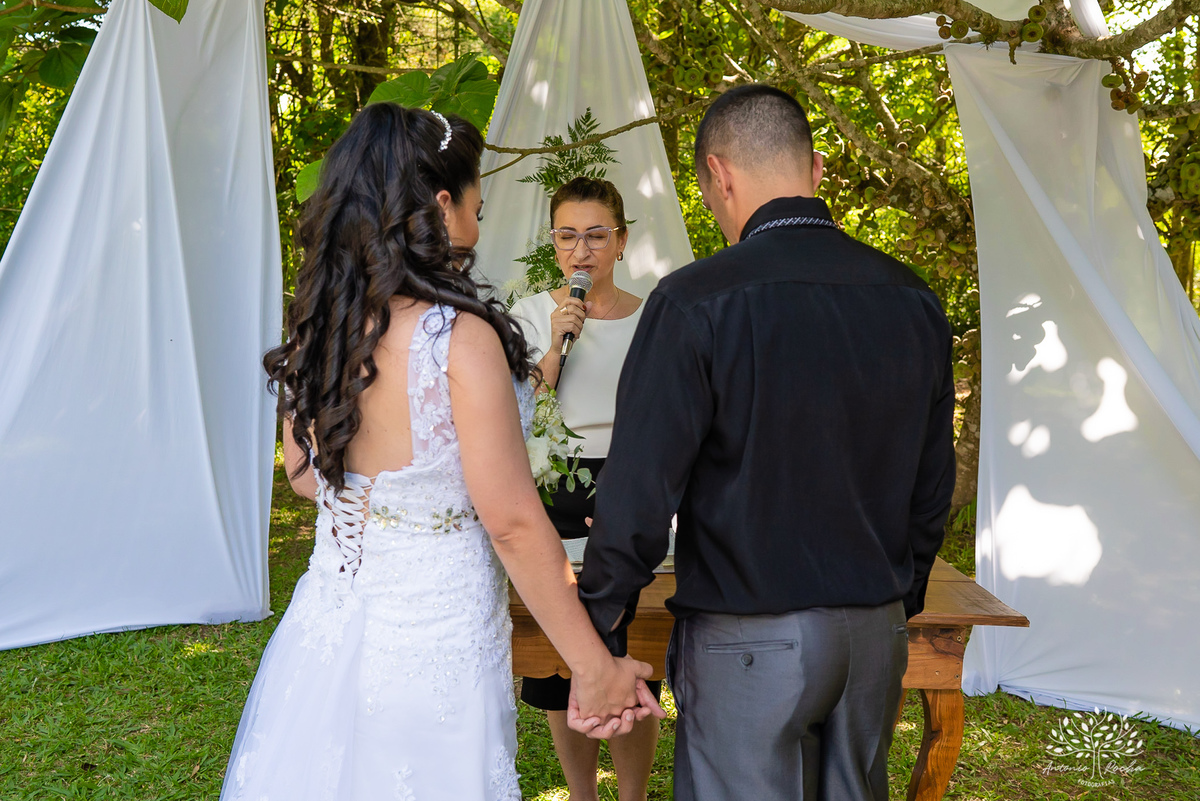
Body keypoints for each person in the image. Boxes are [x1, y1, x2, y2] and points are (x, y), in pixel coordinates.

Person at [220, 103, 662, 801]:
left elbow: (307, 481)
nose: (478, 228)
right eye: (479, 210)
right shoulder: (458, 338)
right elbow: (513, 521)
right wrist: (593, 664)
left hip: (327, 627)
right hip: (434, 638)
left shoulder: (321, 324)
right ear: (443, 204)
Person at [573, 85, 956, 801]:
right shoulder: (913, 299)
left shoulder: (694, 301)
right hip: (872, 633)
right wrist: (891, 604)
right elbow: (932, 487)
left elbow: (639, 485)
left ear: (719, 176)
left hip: (749, 638)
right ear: (813, 169)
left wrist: (600, 621)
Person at [509, 177, 660, 801]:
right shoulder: (524, 317)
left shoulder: (652, 319)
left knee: (624, 647)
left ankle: (632, 795)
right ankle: (581, 792)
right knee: (557, 657)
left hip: (627, 495)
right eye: (568, 236)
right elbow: (512, 414)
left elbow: (667, 420)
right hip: (550, 495)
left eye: (596, 235)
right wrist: (551, 346)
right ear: (553, 244)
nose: (582, 250)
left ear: (621, 242)